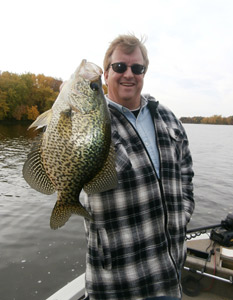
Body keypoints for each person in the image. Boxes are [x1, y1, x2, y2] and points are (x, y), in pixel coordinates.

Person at [83, 34, 195, 300]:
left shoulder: (166, 116)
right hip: (119, 280)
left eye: (137, 68)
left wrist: (183, 213)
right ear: (106, 72)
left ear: (145, 72)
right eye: (120, 67)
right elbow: (78, 184)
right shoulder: (89, 120)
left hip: (169, 273)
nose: (128, 74)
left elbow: (186, 174)